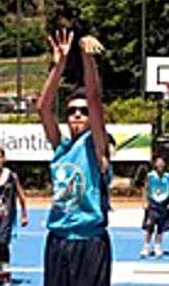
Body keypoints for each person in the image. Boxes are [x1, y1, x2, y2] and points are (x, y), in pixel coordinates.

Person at [38, 29, 112, 286]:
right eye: (71, 111)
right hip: (58, 240)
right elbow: (43, 108)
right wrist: (59, 65)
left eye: (82, 111)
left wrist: (86, 58)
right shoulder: (61, 148)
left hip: (89, 241)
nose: (78, 115)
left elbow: (94, 99)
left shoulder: (96, 146)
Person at [0, 146, 29, 286]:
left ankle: (6, 272)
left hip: (7, 215)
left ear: (4, 159)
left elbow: (21, 195)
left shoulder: (12, 176)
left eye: (0, 157)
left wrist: (24, 214)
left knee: (2, 241)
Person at [140, 154, 169, 258]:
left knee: (161, 227)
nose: (160, 164)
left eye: (162, 162)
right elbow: (145, 188)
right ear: (155, 164)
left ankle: (158, 246)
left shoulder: (168, 176)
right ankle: (146, 247)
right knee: (149, 226)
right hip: (153, 203)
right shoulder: (150, 175)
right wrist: (144, 201)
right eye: (158, 162)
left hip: (163, 204)